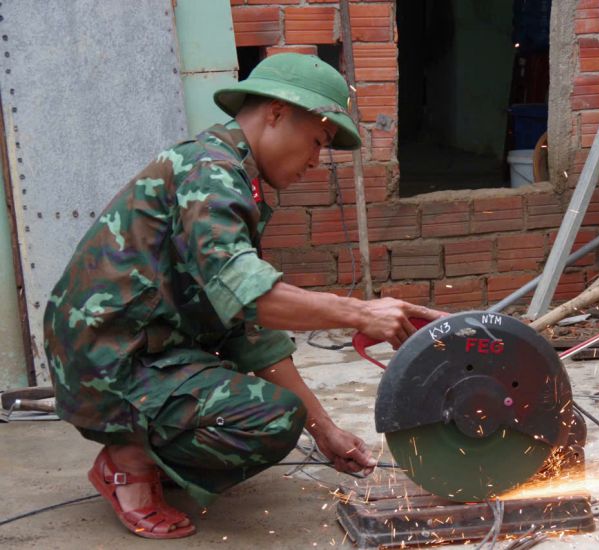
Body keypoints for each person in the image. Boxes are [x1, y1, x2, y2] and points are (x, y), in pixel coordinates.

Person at [43, 53, 444, 539]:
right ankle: (127, 461)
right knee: (269, 419)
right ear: (275, 112)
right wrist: (360, 313)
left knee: (276, 406)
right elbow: (252, 296)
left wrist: (326, 431)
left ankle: (150, 445)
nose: (315, 162)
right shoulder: (209, 172)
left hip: (133, 351)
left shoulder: (230, 175)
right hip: (107, 365)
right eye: (317, 142)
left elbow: (248, 330)